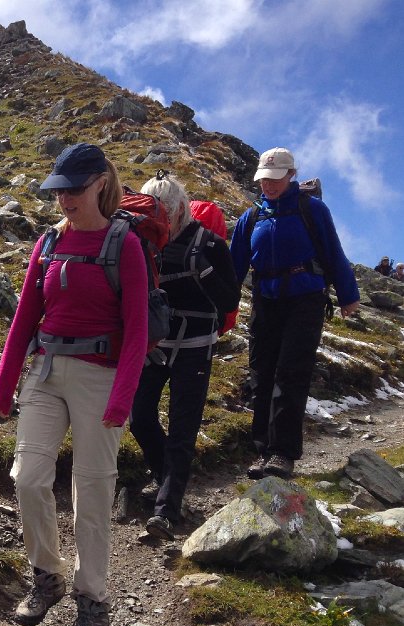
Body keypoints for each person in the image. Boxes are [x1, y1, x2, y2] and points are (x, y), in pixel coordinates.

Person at [0, 143, 148, 626]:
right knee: (28, 477)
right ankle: (47, 576)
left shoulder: (126, 245)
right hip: (45, 372)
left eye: (74, 189)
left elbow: (138, 330)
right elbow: (24, 317)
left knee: (93, 493)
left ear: (100, 183)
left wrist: (122, 398)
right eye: (59, 190)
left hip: (101, 378)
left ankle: (92, 599)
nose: (64, 199)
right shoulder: (49, 242)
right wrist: (4, 383)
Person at [230, 147, 360, 481]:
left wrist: (348, 296)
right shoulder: (252, 216)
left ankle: (282, 453)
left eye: (275, 178)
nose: (268, 185)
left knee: (290, 372)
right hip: (265, 299)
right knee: (261, 373)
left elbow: (333, 251)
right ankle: (263, 449)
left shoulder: (311, 208)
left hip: (305, 298)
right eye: (264, 179)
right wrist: (222, 304)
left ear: (291, 175)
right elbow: (234, 266)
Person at [129, 173, 240, 540]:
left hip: (195, 347)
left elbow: (230, 301)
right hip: (156, 345)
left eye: (162, 210)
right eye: (149, 210)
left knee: (182, 428)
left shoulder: (210, 244)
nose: (157, 218)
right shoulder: (142, 242)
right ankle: (166, 480)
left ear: (179, 209)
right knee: (139, 417)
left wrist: (201, 270)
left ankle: (166, 511)